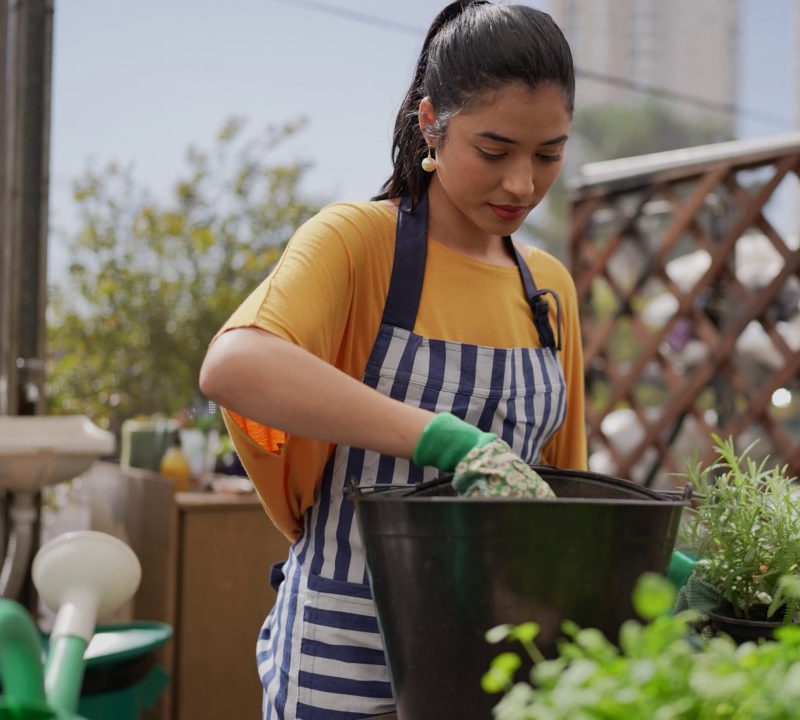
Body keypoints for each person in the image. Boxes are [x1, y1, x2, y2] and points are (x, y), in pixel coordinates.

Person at [197, 2, 585, 716]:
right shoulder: (358, 244)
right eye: (494, 151)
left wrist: (669, 574)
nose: (522, 185)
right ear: (431, 121)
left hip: (499, 655)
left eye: (549, 154)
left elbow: (556, 498)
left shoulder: (549, 289)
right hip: (348, 644)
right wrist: (446, 440)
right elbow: (234, 366)